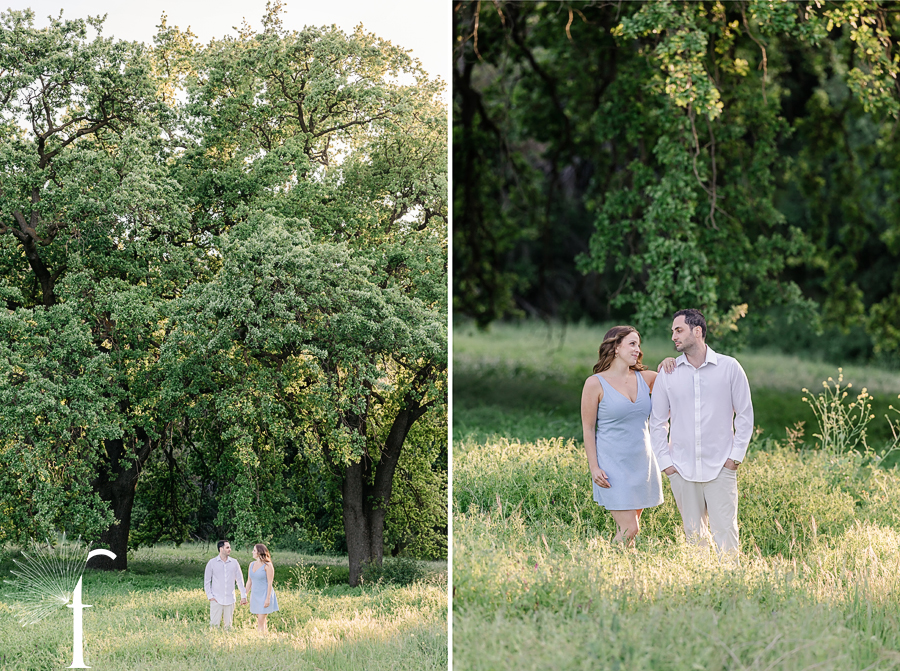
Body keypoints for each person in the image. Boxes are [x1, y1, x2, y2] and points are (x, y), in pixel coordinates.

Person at [649, 308, 753, 556]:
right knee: (694, 538)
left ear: (697, 331)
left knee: (726, 534)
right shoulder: (668, 372)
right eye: (672, 331)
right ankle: (702, 589)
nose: (673, 336)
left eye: (678, 330)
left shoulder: (729, 368)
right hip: (682, 469)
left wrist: (734, 459)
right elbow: (657, 422)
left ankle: (732, 589)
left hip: (721, 467)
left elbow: (746, 416)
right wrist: (667, 465)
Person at [580, 325, 668, 546]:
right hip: (613, 467)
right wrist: (594, 467)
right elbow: (588, 429)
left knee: (630, 529)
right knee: (630, 528)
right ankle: (603, 567)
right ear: (616, 347)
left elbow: (678, 386)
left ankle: (625, 573)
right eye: (632, 344)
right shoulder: (594, 383)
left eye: (638, 345)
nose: (637, 349)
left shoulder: (647, 378)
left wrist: (668, 364)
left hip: (642, 463)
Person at [204, 540, 247, 630]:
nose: (230, 549)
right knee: (214, 626)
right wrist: (210, 596)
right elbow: (207, 581)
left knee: (228, 627)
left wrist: (243, 595)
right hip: (216, 599)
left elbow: (239, 580)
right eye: (227, 547)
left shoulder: (234, 563)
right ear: (221, 549)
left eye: (229, 547)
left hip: (230, 599)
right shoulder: (212, 563)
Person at [246, 543, 279, 633]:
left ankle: (259, 638)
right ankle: (265, 637)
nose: (252, 552)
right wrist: (245, 594)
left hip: (265, 595)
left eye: (254, 550)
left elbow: (270, 583)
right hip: (255, 595)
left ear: (260, 552)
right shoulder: (251, 564)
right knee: (261, 618)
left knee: (261, 619)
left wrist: (267, 599)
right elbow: (249, 581)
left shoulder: (268, 566)